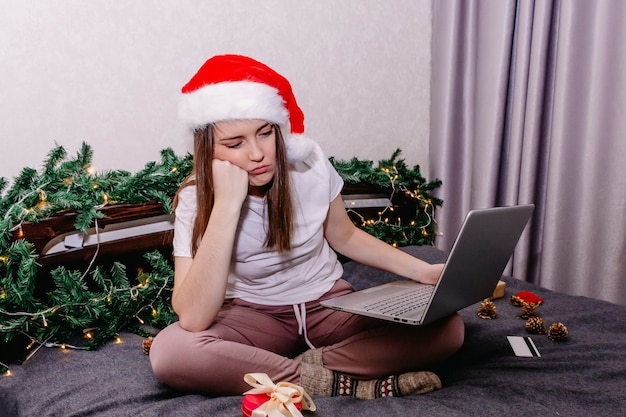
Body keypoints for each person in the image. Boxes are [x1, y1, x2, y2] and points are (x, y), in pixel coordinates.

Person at [149, 54, 464, 399]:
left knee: (448, 328)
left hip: (327, 305)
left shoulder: (309, 163)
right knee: (171, 353)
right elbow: (193, 318)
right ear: (207, 148)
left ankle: (302, 368)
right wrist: (226, 205)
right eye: (235, 143)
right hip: (255, 314)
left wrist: (423, 272)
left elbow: (344, 235)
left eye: (265, 133)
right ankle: (337, 382)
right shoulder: (197, 197)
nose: (257, 153)